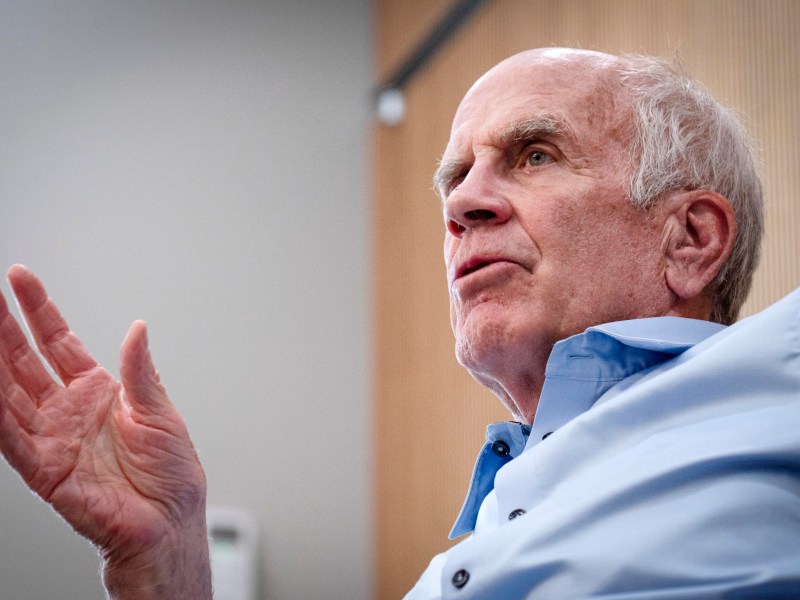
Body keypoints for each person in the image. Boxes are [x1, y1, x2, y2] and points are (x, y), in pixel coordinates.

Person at [0, 48, 797, 599]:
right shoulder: (502, 516)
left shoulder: (773, 384)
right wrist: (166, 560)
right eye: (457, 177)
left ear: (691, 239)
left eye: (535, 155)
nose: (462, 204)